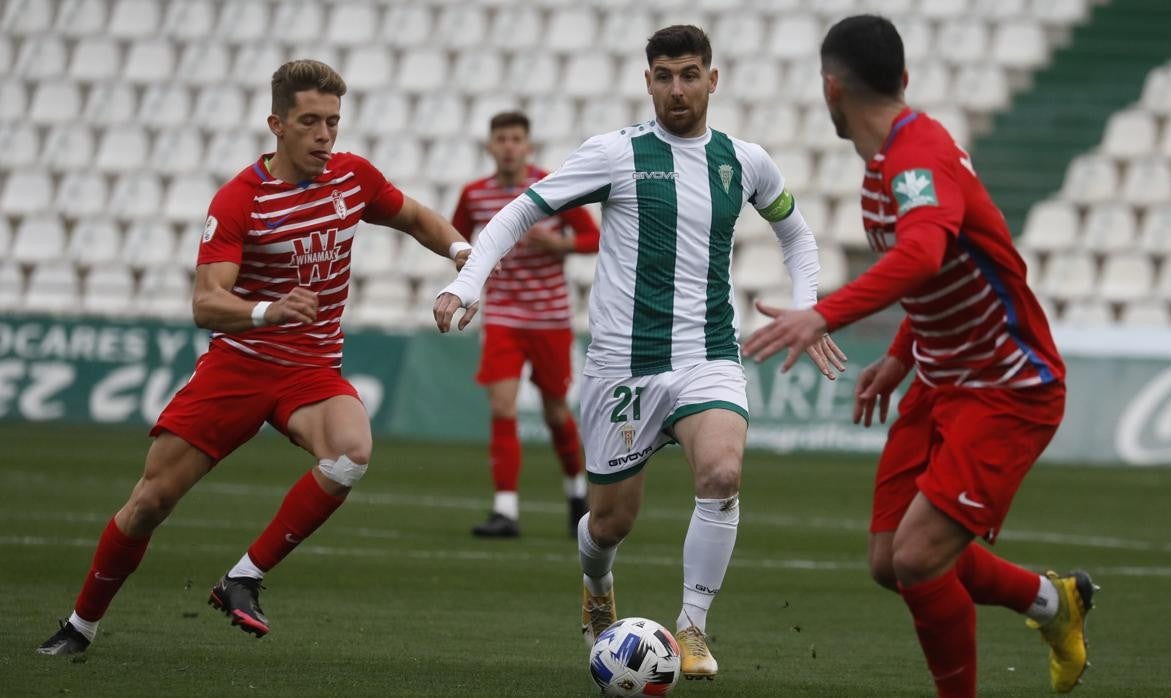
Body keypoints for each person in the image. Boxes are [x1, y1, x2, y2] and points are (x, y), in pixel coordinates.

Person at [434, 25, 846, 681]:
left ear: (713, 80)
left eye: (688, 74)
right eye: (663, 75)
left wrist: (810, 304)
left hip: (709, 353)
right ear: (647, 80)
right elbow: (518, 212)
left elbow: (796, 234)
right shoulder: (616, 154)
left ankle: (692, 626)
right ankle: (597, 585)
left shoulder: (746, 161)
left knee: (721, 474)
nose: (676, 88)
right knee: (609, 523)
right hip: (624, 367)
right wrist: (467, 280)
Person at [37, 59, 474, 655]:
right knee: (149, 502)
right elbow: (206, 303)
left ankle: (243, 577)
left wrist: (460, 254)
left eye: (334, 122)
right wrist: (268, 310)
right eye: (310, 122)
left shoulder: (352, 178)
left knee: (351, 453)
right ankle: (79, 626)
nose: (325, 136)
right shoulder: (241, 200)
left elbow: (415, 217)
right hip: (239, 366)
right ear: (277, 124)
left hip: (311, 368)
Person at [742, 16, 1095, 696]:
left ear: (830, 88)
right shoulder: (887, 167)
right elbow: (943, 268)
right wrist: (903, 356)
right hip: (941, 377)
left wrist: (824, 312)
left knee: (918, 556)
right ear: (901, 79)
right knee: (889, 560)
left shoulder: (917, 158)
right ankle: (1054, 603)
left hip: (1007, 387)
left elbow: (924, 252)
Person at [450, 111, 601, 539]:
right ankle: (506, 510)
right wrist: (471, 262)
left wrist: (562, 244)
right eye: (502, 139)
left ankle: (576, 493)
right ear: (490, 146)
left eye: (516, 138)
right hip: (503, 317)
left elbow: (595, 238)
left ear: (528, 146)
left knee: (556, 413)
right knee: (502, 406)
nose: (509, 146)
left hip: (550, 318)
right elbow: (454, 238)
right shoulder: (475, 194)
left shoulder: (551, 187)